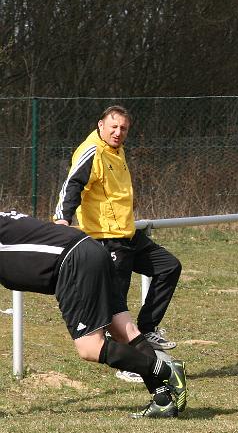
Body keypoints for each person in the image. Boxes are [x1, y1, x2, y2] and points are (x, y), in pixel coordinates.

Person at [0, 211, 187, 418]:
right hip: (91, 248)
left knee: (90, 348)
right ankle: (162, 400)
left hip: (73, 261)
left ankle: (166, 370)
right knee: (125, 331)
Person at [54, 105, 183, 382]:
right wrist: (61, 219)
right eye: (113, 126)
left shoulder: (118, 151)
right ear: (101, 125)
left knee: (169, 266)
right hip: (105, 238)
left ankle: (147, 329)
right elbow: (72, 185)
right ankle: (129, 364)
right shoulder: (92, 150)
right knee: (116, 305)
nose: (118, 132)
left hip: (128, 234)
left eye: (123, 128)